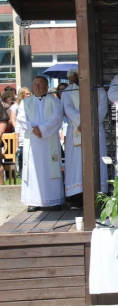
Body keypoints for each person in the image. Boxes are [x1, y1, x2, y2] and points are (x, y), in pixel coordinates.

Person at [62, 68, 109, 209]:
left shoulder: (98, 90)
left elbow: (102, 109)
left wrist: (89, 124)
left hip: (94, 129)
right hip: (76, 130)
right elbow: (67, 108)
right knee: (76, 164)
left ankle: (98, 195)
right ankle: (77, 198)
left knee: (96, 159)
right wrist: (80, 122)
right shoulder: (68, 91)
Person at [17, 76, 65, 212]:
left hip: (49, 141)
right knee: (33, 169)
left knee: (51, 169)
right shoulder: (25, 103)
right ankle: (33, 200)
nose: (37, 86)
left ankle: (54, 200)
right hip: (32, 142)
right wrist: (33, 129)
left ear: (46, 87)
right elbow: (21, 119)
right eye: (35, 84)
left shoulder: (55, 102)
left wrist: (43, 129)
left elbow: (57, 118)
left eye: (40, 84)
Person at [11, 87, 32, 178]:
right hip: (20, 131)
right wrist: (19, 130)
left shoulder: (31, 104)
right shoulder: (15, 106)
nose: (29, 95)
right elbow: (13, 120)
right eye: (26, 94)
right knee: (22, 157)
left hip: (29, 130)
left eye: (29, 93)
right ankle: (22, 174)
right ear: (22, 94)